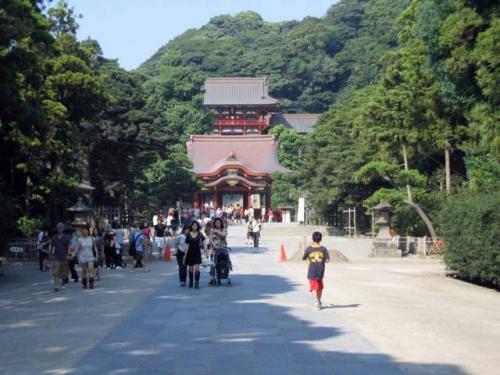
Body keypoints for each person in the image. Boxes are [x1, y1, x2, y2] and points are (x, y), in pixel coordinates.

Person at [302, 231, 330, 310]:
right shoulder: (323, 249)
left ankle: (316, 301)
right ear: (321, 239)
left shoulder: (309, 248)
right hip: (321, 271)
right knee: (320, 286)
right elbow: (327, 260)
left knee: (313, 287)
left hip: (312, 270)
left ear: (312, 238)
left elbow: (304, 258)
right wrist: (323, 259)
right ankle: (319, 301)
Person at [183, 221, 205, 289]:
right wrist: (185, 255)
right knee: (190, 268)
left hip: (197, 252)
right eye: (193, 225)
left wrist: (206, 251)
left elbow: (203, 243)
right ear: (191, 226)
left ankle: (196, 283)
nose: (195, 226)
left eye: (196, 225)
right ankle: (191, 282)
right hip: (190, 252)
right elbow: (186, 245)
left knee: (197, 268)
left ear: (198, 226)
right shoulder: (188, 234)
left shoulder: (200, 234)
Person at [49, 223, 71, 292]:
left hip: (64, 256)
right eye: (58, 228)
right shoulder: (54, 237)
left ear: (63, 229)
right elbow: (52, 246)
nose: (60, 229)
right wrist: (50, 254)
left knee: (64, 272)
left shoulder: (67, 237)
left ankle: (63, 282)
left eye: (61, 228)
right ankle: (56, 285)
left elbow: (69, 246)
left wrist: (68, 254)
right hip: (56, 256)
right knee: (56, 271)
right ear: (57, 229)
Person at [209, 218, 227, 285]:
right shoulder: (211, 230)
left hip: (222, 248)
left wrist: (217, 232)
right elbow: (210, 239)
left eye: (219, 222)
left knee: (222, 262)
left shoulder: (224, 229)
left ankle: (221, 275)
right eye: (216, 222)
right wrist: (215, 246)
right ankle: (213, 278)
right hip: (214, 249)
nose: (217, 224)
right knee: (213, 263)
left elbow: (224, 235)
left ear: (221, 223)